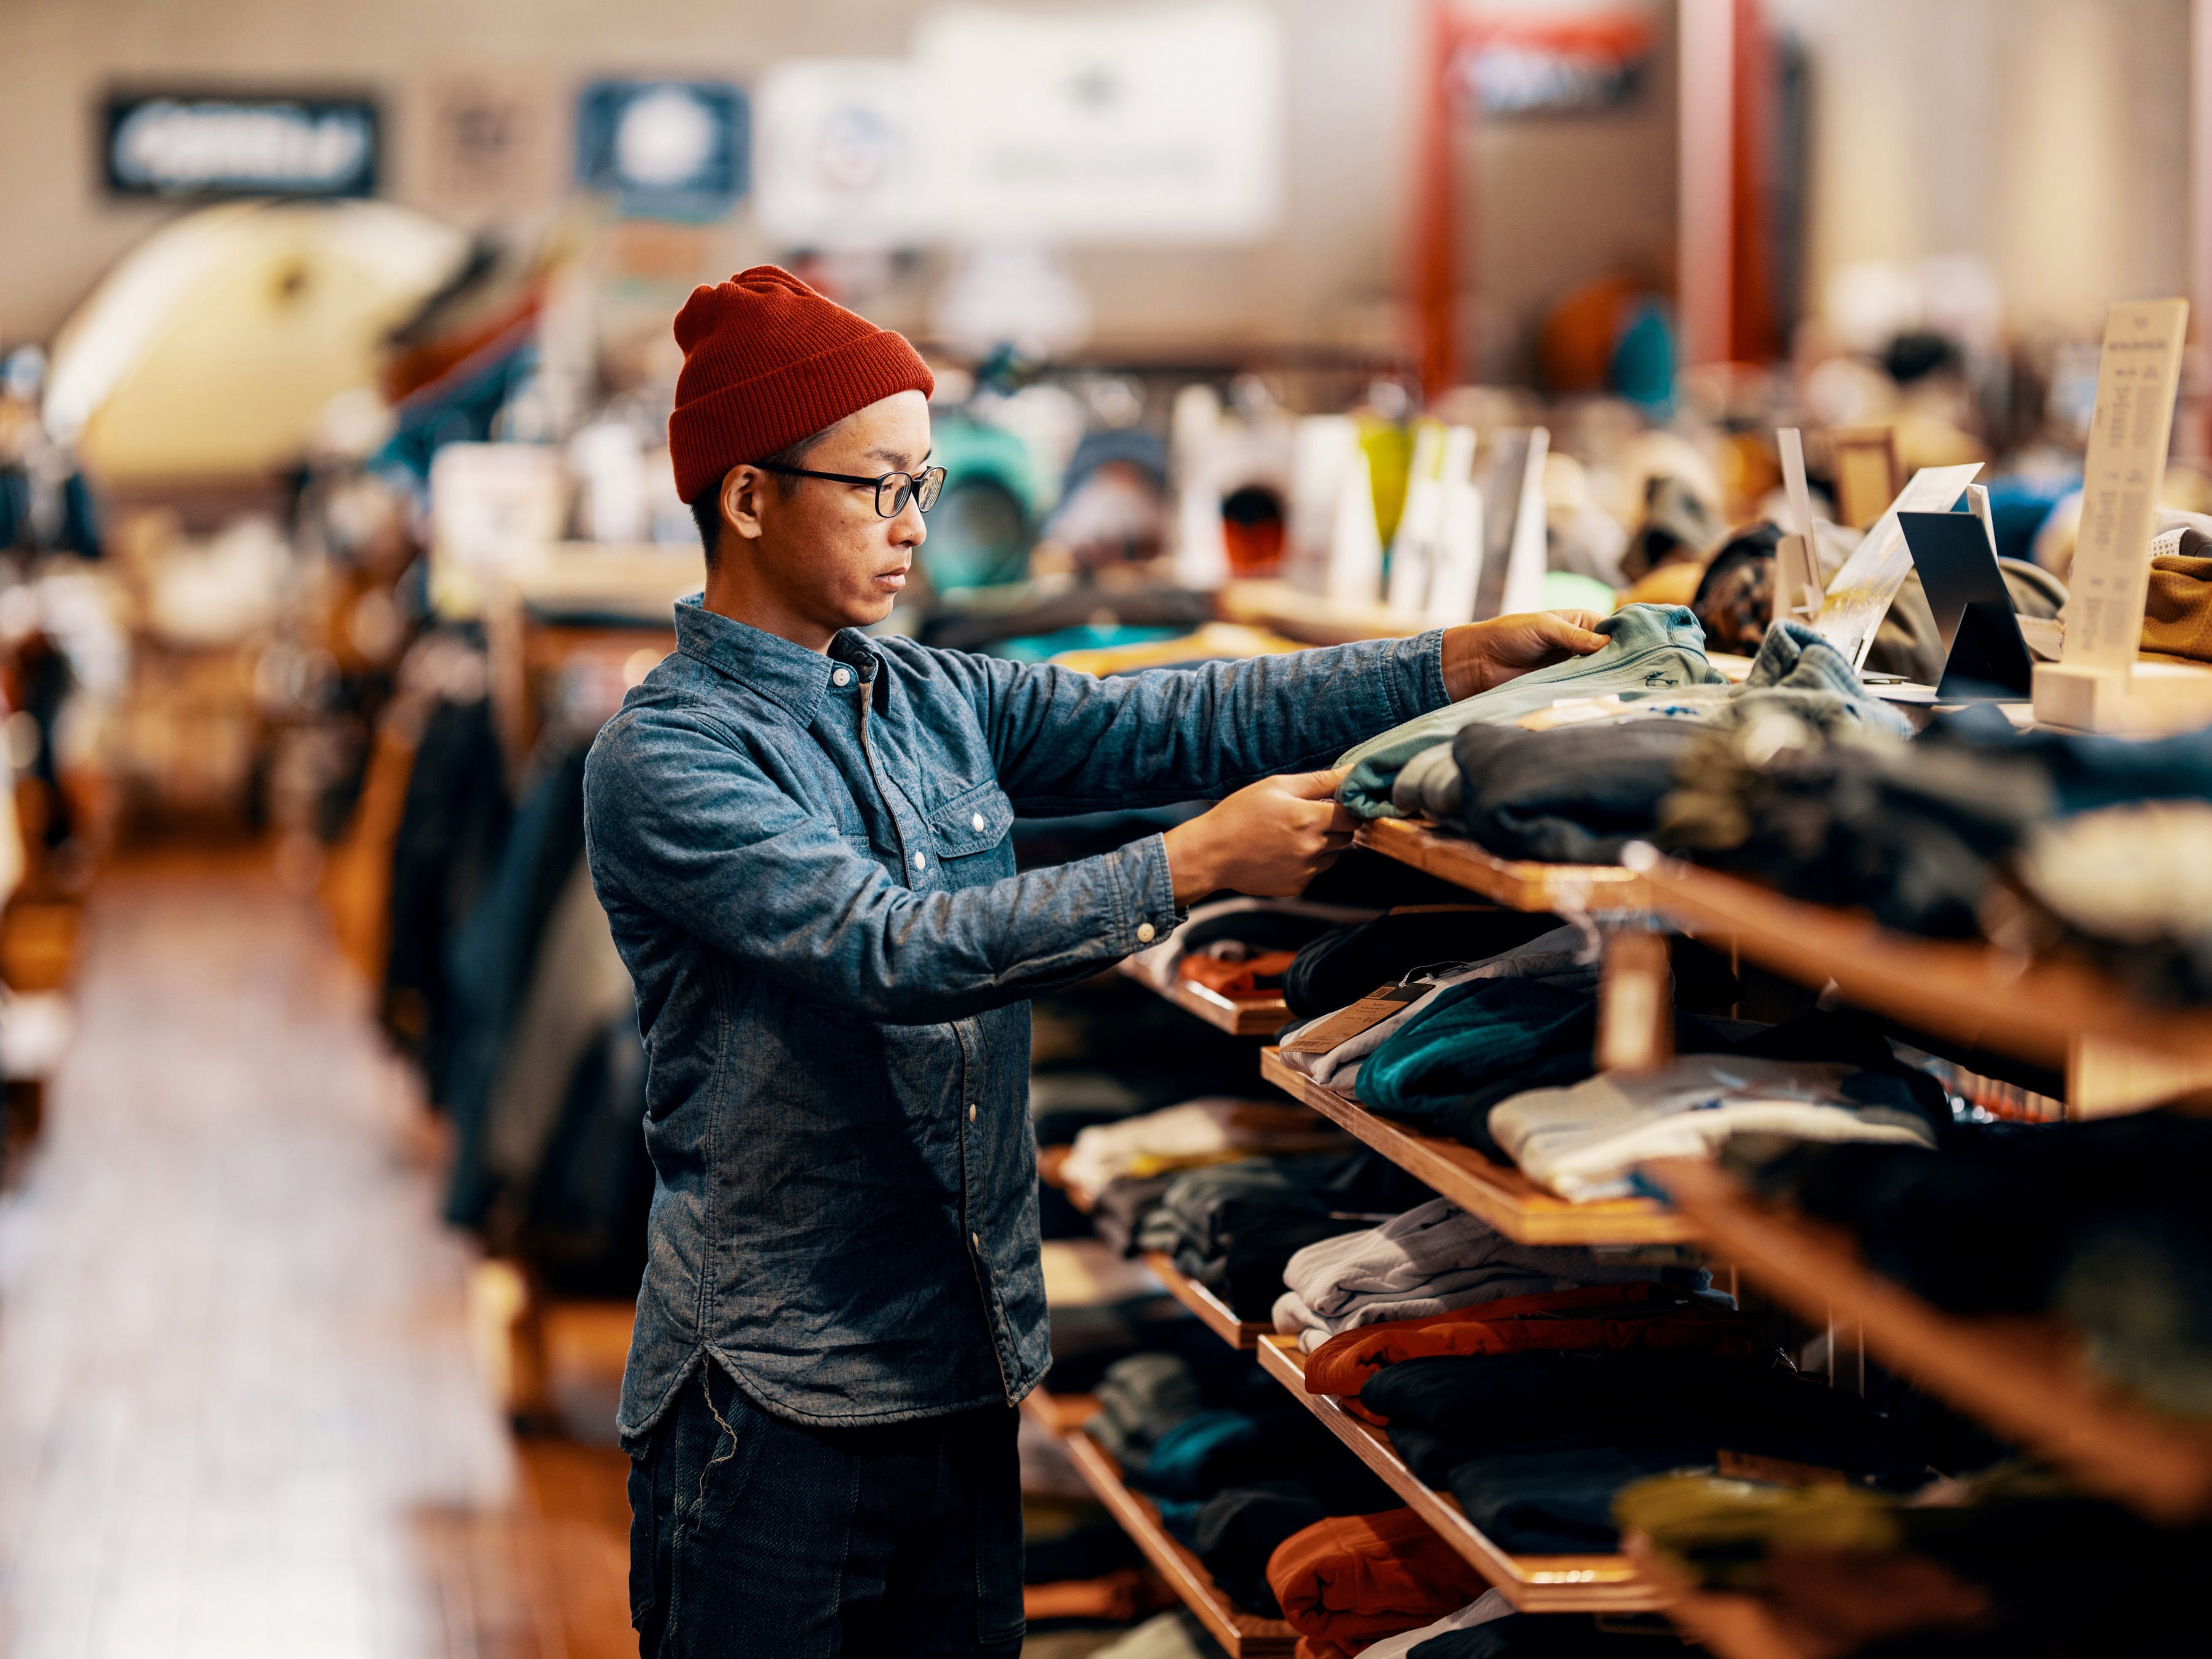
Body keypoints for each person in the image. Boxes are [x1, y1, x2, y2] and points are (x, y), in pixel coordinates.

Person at [584, 266, 1606, 1658]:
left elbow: (1178, 716)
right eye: (877, 487)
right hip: (771, 1400)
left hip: (962, 1368)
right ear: (749, 495)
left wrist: (1444, 665)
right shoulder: (668, 755)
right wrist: (1188, 869)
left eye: (923, 484)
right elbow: (888, 947)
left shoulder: (929, 696)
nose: (914, 526)